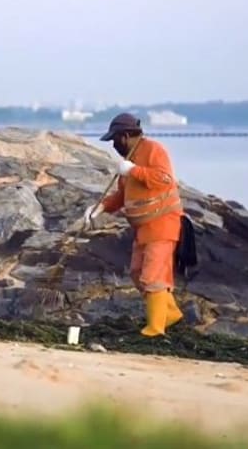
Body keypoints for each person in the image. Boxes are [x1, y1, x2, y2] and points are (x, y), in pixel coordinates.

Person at [84, 112, 184, 337]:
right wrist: (100, 208)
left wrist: (133, 170)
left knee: (153, 275)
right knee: (137, 272)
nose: (113, 145)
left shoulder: (154, 150)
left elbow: (164, 179)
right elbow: (123, 195)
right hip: (143, 228)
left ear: (126, 136)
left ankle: (155, 328)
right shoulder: (130, 157)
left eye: (115, 139)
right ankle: (170, 314)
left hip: (163, 224)